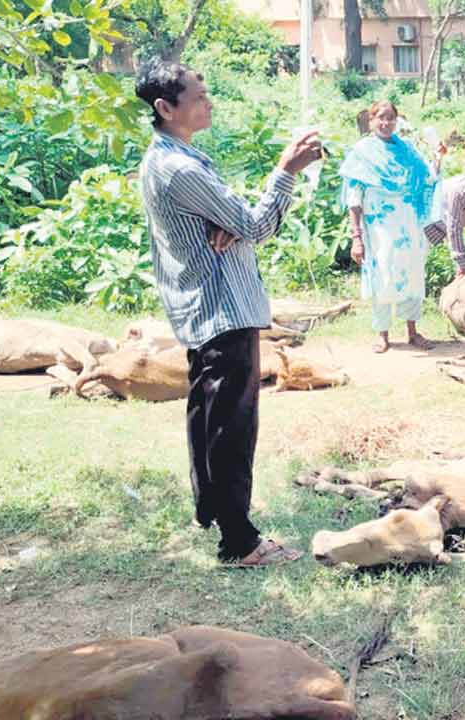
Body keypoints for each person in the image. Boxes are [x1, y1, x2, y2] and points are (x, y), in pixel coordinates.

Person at [135, 61, 321, 567]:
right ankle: (239, 542)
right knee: (231, 428)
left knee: (208, 418)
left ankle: (213, 511)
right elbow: (257, 224)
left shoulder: (172, 158)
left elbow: (237, 220)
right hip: (222, 307)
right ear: (165, 108)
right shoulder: (180, 168)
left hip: (207, 306)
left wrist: (234, 225)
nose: (208, 102)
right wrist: (286, 171)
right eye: (198, 96)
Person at [340, 100, 445, 353]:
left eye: (390, 118)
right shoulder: (362, 152)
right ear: (371, 120)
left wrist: (437, 158)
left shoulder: (407, 150)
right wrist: (356, 237)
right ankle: (382, 334)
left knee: (412, 272)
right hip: (379, 227)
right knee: (383, 274)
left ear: (397, 121)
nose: (385, 123)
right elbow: (354, 199)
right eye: (381, 118)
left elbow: (427, 179)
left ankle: (412, 331)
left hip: (409, 226)